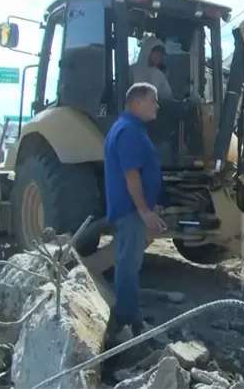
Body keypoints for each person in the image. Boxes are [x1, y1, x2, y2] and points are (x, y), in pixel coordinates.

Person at [103, 82, 167, 346]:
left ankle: (129, 315)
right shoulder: (128, 131)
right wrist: (144, 210)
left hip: (132, 210)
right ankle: (128, 321)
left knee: (129, 263)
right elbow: (132, 176)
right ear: (137, 103)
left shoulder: (131, 128)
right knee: (129, 264)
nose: (157, 106)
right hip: (131, 211)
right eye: (153, 100)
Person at [130, 36, 174, 100]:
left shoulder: (159, 74)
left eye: (161, 55)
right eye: (157, 54)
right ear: (147, 50)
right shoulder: (131, 70)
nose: (159, 57)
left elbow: (168, 96)